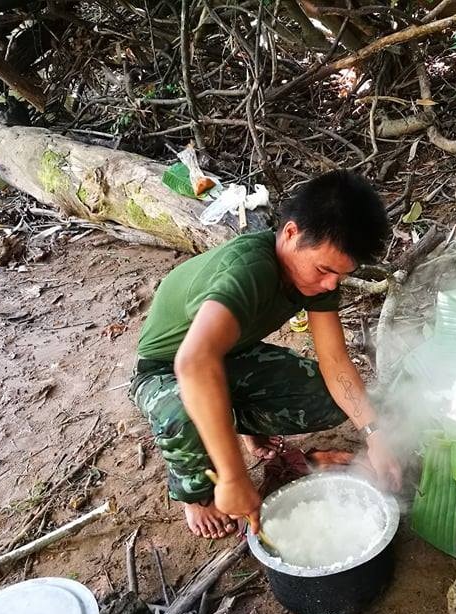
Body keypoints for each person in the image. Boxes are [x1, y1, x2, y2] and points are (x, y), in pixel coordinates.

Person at [130, 170, 402, 539]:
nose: (330, 285)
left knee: (327, 398)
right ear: (290, 233)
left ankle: (245, 426)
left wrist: (375, 434)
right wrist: (233, 476)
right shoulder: (249, 270)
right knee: (182, 413)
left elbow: (336, 364)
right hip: (166, 370)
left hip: (229, 356)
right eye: (324, 270)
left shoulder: (319, 278)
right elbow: (193, 364)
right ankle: (193, 494)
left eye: (340, 275)